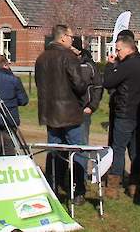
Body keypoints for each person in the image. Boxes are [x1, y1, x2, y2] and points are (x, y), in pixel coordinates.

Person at [35, 24, 88, 205]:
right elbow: (80, 84)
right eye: (72, 37)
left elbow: (39, 85)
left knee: (54, 151)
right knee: (77, 151)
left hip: (50, 112)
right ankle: (78, 190)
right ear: (63, 37)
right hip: (70, 113)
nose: (73, 40)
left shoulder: (41, 58)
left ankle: (53, 188)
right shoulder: (68, 57)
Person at [102, 31, 140, 198]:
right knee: (136, 150)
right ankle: (135, 185)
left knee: (118, 149)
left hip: (125, 112)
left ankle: (113, 187)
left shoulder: (126, 65)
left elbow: (108, 82)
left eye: (119, 49)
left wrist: (109, 66)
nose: (117, 53)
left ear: (128, 48)